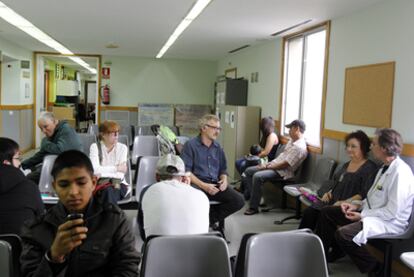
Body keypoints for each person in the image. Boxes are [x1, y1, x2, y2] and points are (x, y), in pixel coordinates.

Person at [20, 150, 140, 277]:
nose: (73, 192)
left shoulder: (114, 220)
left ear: (94, 183)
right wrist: (54, 256)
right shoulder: (36, 229)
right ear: (54, 187)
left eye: (81, 183)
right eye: (64, 184)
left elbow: (128, 268)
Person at [315, 128, 414, 275]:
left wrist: (362, 215)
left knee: (344, 234)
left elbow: (392, 212)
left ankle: (375, 269)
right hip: (373, 213)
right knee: (327, 212)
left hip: (389, 222)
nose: (371, 146)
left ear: (384, 148)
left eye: (374, 144)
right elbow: (372, 198)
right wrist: (355, 205)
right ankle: (321, 257)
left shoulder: (401, 173)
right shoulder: (383, 169)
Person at [298, 130, 378, 230]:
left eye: (353, 146)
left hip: (348, 205)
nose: (349, 149)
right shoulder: (346, 164)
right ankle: (302, 239)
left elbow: (364, 193)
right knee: (310, 212)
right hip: (332, 200)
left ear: (363, 147)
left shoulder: (370, 168)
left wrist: (343, 202)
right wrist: (329, 192)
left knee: (323, 214)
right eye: (348, 146)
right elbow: (336, 181)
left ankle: (319, 243)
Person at [181, 114, 244, 228]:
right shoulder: (190, 145)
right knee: (192, 203)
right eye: (214, 128)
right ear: (204, 128)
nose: (218, 131)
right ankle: (199, 222)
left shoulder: (218, 147)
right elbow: (186, 172)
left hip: (215, 185)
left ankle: (207, 220)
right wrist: (204, 186)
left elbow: (223, 169)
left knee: (239, 200)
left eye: (219, 128)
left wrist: (224, 180)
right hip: (196, 185)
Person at [243, 119, 308, 215]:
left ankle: (254, 207)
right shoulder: (292, 141)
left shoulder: (299, 147)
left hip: (283, 172)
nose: (289, 131)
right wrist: (267, 165)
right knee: (248, 171)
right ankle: (256, 197)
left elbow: (285, 165)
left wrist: (267, 166)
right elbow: (281, 158)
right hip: (275, 166)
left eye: (290, 129)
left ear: (297, 129)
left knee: (257, 176)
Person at [141, 154, 209, 236]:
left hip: (159, 247)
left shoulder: (148, 192)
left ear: (156, 176)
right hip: (196, 247)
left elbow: (143, 232)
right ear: (183, 177)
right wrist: (187, 187)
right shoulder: (201, 196)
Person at [21, 111, 82, 184]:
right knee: (30, 169)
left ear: (54, 121)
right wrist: (22, 165)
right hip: (58, 163)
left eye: (46, 126)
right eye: (41, 128)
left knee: (29, 178)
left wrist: (45, 142)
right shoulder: (53, 133)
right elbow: (41, 155)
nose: (43, 131)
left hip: (71, 167)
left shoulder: (66, 130)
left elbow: (60, 150)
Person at [0, 137, 44, 235]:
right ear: (6, 163)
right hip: (20, 248)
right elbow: (41, 220)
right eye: (17, 158)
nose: (20, 162)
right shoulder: (30, 187)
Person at [89, 120, 130, 204]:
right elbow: (95, 170)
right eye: (112, 133)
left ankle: (105, 216)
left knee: (107, 193)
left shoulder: (123, 148)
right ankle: (112, 216)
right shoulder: (95, 147)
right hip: (100, 184)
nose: (116, 136)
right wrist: (116, 168)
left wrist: (102, 173)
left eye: (117, 133)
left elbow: (120, 175)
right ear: (103, 135)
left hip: (118, 184)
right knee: (107, 192)